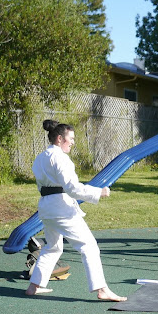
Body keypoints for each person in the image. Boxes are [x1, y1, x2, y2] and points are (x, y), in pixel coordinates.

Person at [25, 119, 126, 302]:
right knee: (89, 246)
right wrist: (98, 192)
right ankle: (102, 289)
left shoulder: (40, 158)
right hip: (61, 208)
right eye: (70, 138)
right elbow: (72, 188)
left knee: (53, 247)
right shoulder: (61, 158)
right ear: (59, 139)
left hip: (46, 207)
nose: (72, 142)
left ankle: (34, 286)